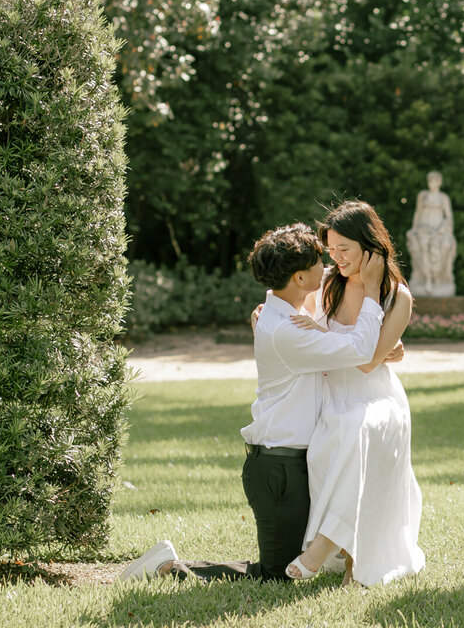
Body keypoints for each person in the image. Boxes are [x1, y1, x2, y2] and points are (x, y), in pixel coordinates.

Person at [118, 222, 395, 582]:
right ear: (298, 278)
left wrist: (387, 348)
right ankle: (168, 567)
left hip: (295, 461)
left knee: (308, 555)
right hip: (278, 468)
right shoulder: (286, 331)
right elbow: (358, 349)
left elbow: (347, 346)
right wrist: (373, 289)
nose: (327, 264)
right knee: (275, 575)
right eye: (318, 262)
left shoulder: (285, 314)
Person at [283, 200, 425, 587]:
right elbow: (290, 310)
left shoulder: (398, 296)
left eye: (344, 249)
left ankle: (324, 551)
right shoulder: (329, 282)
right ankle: (345, 554)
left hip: (375, 399)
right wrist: (263, 315)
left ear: (371, 246)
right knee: (340, 435)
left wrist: (372, 292)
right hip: (332, 397)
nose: (336, 258)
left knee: (357, 430)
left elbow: (366, 363)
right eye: (331, 250)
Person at [406, 171, 457, 297]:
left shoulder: (443, 197)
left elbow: (449, 216)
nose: (431, 184)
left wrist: (444, 229)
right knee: (423, 250)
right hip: (424, 228)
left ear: (439, 182)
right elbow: (417, 212)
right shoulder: (423, 195)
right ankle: (427, 279)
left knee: (443, 247)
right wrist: (414, 228)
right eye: (430, 181)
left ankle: (438, 279)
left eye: (434, 181)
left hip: (438, 229)